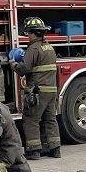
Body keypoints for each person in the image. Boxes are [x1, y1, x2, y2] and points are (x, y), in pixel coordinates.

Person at [9, 17, 61, 160]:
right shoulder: (49, 47)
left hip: (38, 91)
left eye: (28, 33)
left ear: (33, 33)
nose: (28, 36)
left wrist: (13, 64)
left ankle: (33, 151)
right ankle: (55, 149)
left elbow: (24, 69)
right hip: (51, 90)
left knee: (31, 119)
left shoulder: (33, 48)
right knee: (51, 119)